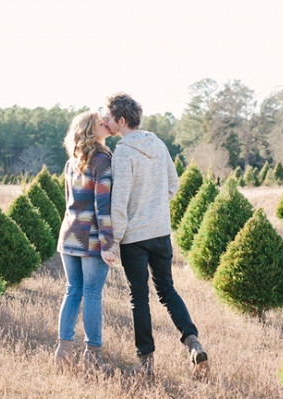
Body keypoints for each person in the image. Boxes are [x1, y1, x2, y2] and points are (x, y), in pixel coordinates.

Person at [103, 92, 209, 378]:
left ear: (121, 121)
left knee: (139, 297)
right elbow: (173, 184)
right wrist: (155, 207)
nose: (106, 122)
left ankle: (146, 362)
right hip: (161, 232)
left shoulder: (124, 152)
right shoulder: (158, 144)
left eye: (109, 118)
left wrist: (112, 241)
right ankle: (192, 341)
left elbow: (120, 201)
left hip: (135, 239)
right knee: (167, 290)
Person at [54, 111, 116, 373]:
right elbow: (102, 206)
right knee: (91, 293)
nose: (106, 123)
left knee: (73, 290)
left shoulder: (71, 162)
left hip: (69, 233)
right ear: (92, 129)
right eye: (101, 122)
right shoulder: (101, 160)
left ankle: (63, 352)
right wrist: (108, 242)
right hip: (90, 236)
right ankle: (93, 356)